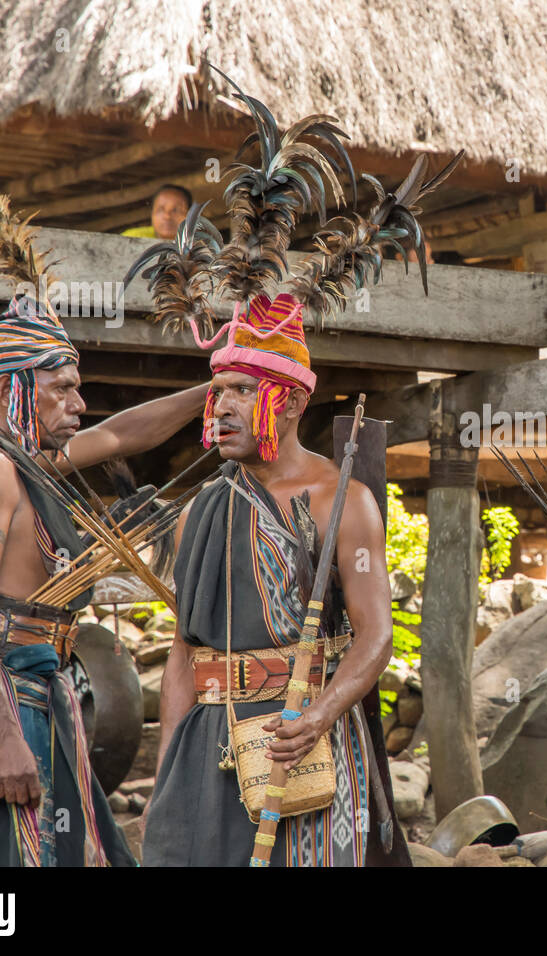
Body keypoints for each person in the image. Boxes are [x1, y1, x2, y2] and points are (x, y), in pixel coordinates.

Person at [0, 294, 209, 866]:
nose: (79, 402)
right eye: (63, 388)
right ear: (11, 390)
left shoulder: (27, 460)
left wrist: (217, 387)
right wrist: (3, 737)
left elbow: (123, 436)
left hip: (37, 690)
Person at [141, 292, 394, 866]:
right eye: (218, 391)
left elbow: (376, 636)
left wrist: (318, 716)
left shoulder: (342, 502)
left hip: (300, 741)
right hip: (209, 743)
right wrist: (166, 775)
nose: (221, 407)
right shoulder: (198, 511)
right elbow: (184, 657)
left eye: (243, 390)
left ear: (292, 401)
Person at [122, 184, 191, 240]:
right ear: (152, 213)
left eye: (175, 210)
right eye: (160, 210)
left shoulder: (198, 245)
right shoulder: (131, 238)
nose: (167, 216)